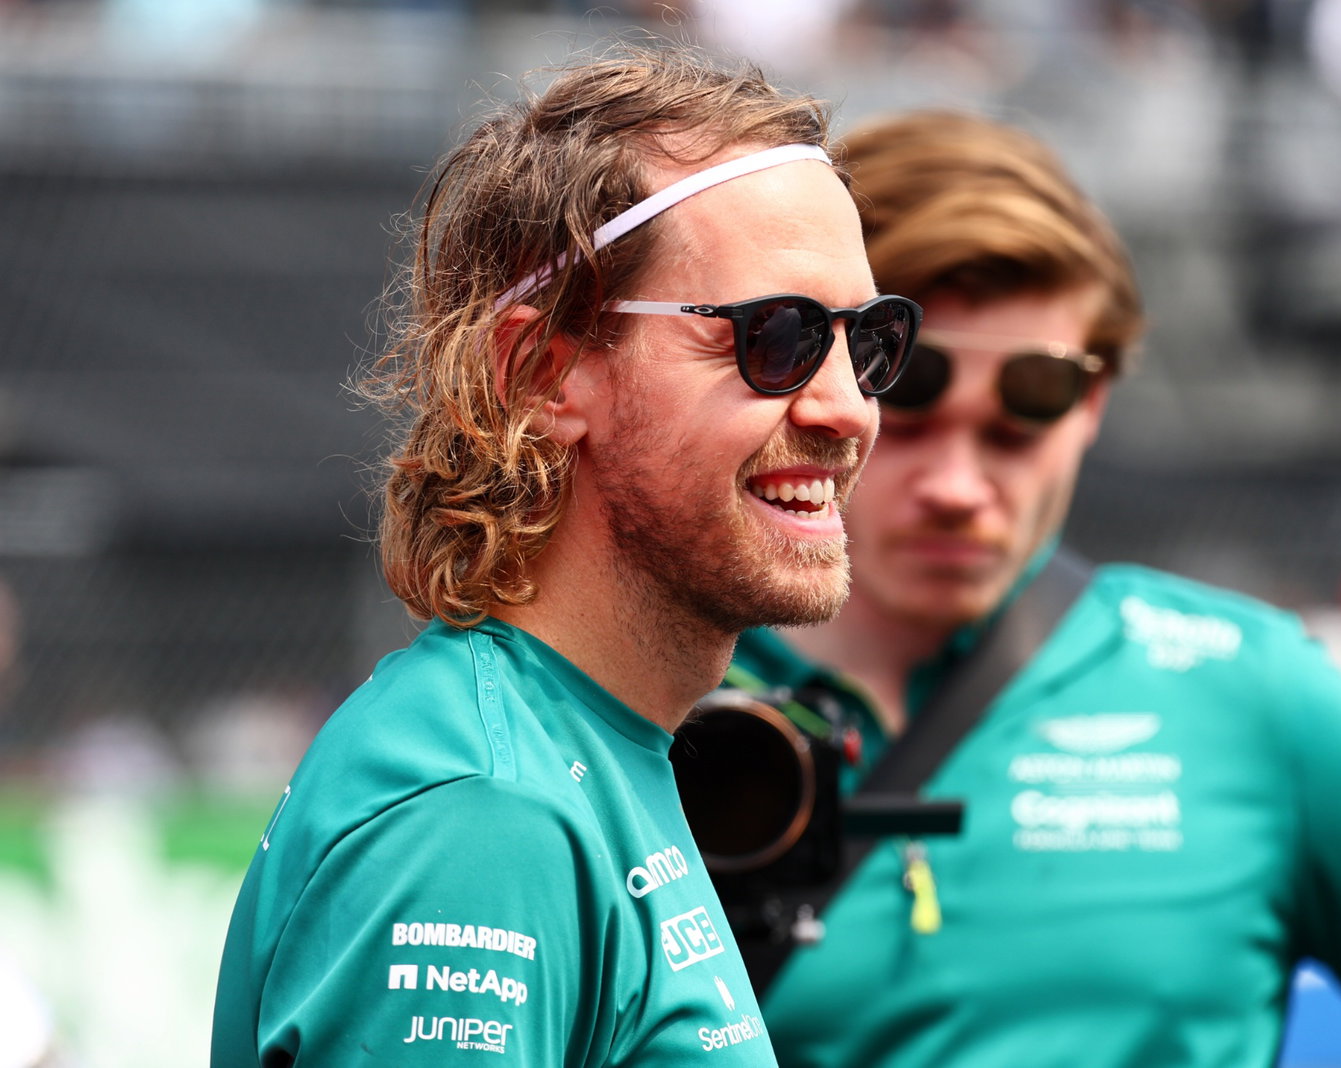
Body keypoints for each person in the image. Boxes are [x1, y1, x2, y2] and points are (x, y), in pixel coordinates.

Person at [724, 110, 1341, 1067]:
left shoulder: (1251, 695)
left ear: (1093, 402)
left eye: (1021, 421)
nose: (960, 485)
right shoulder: (644, 694)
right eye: (910, 401)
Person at [210, 44, 921, 1066]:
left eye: (869, 340)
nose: (849, 409)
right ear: (544, 372)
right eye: (777, 337)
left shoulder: (581, 747)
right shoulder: (485, 816)